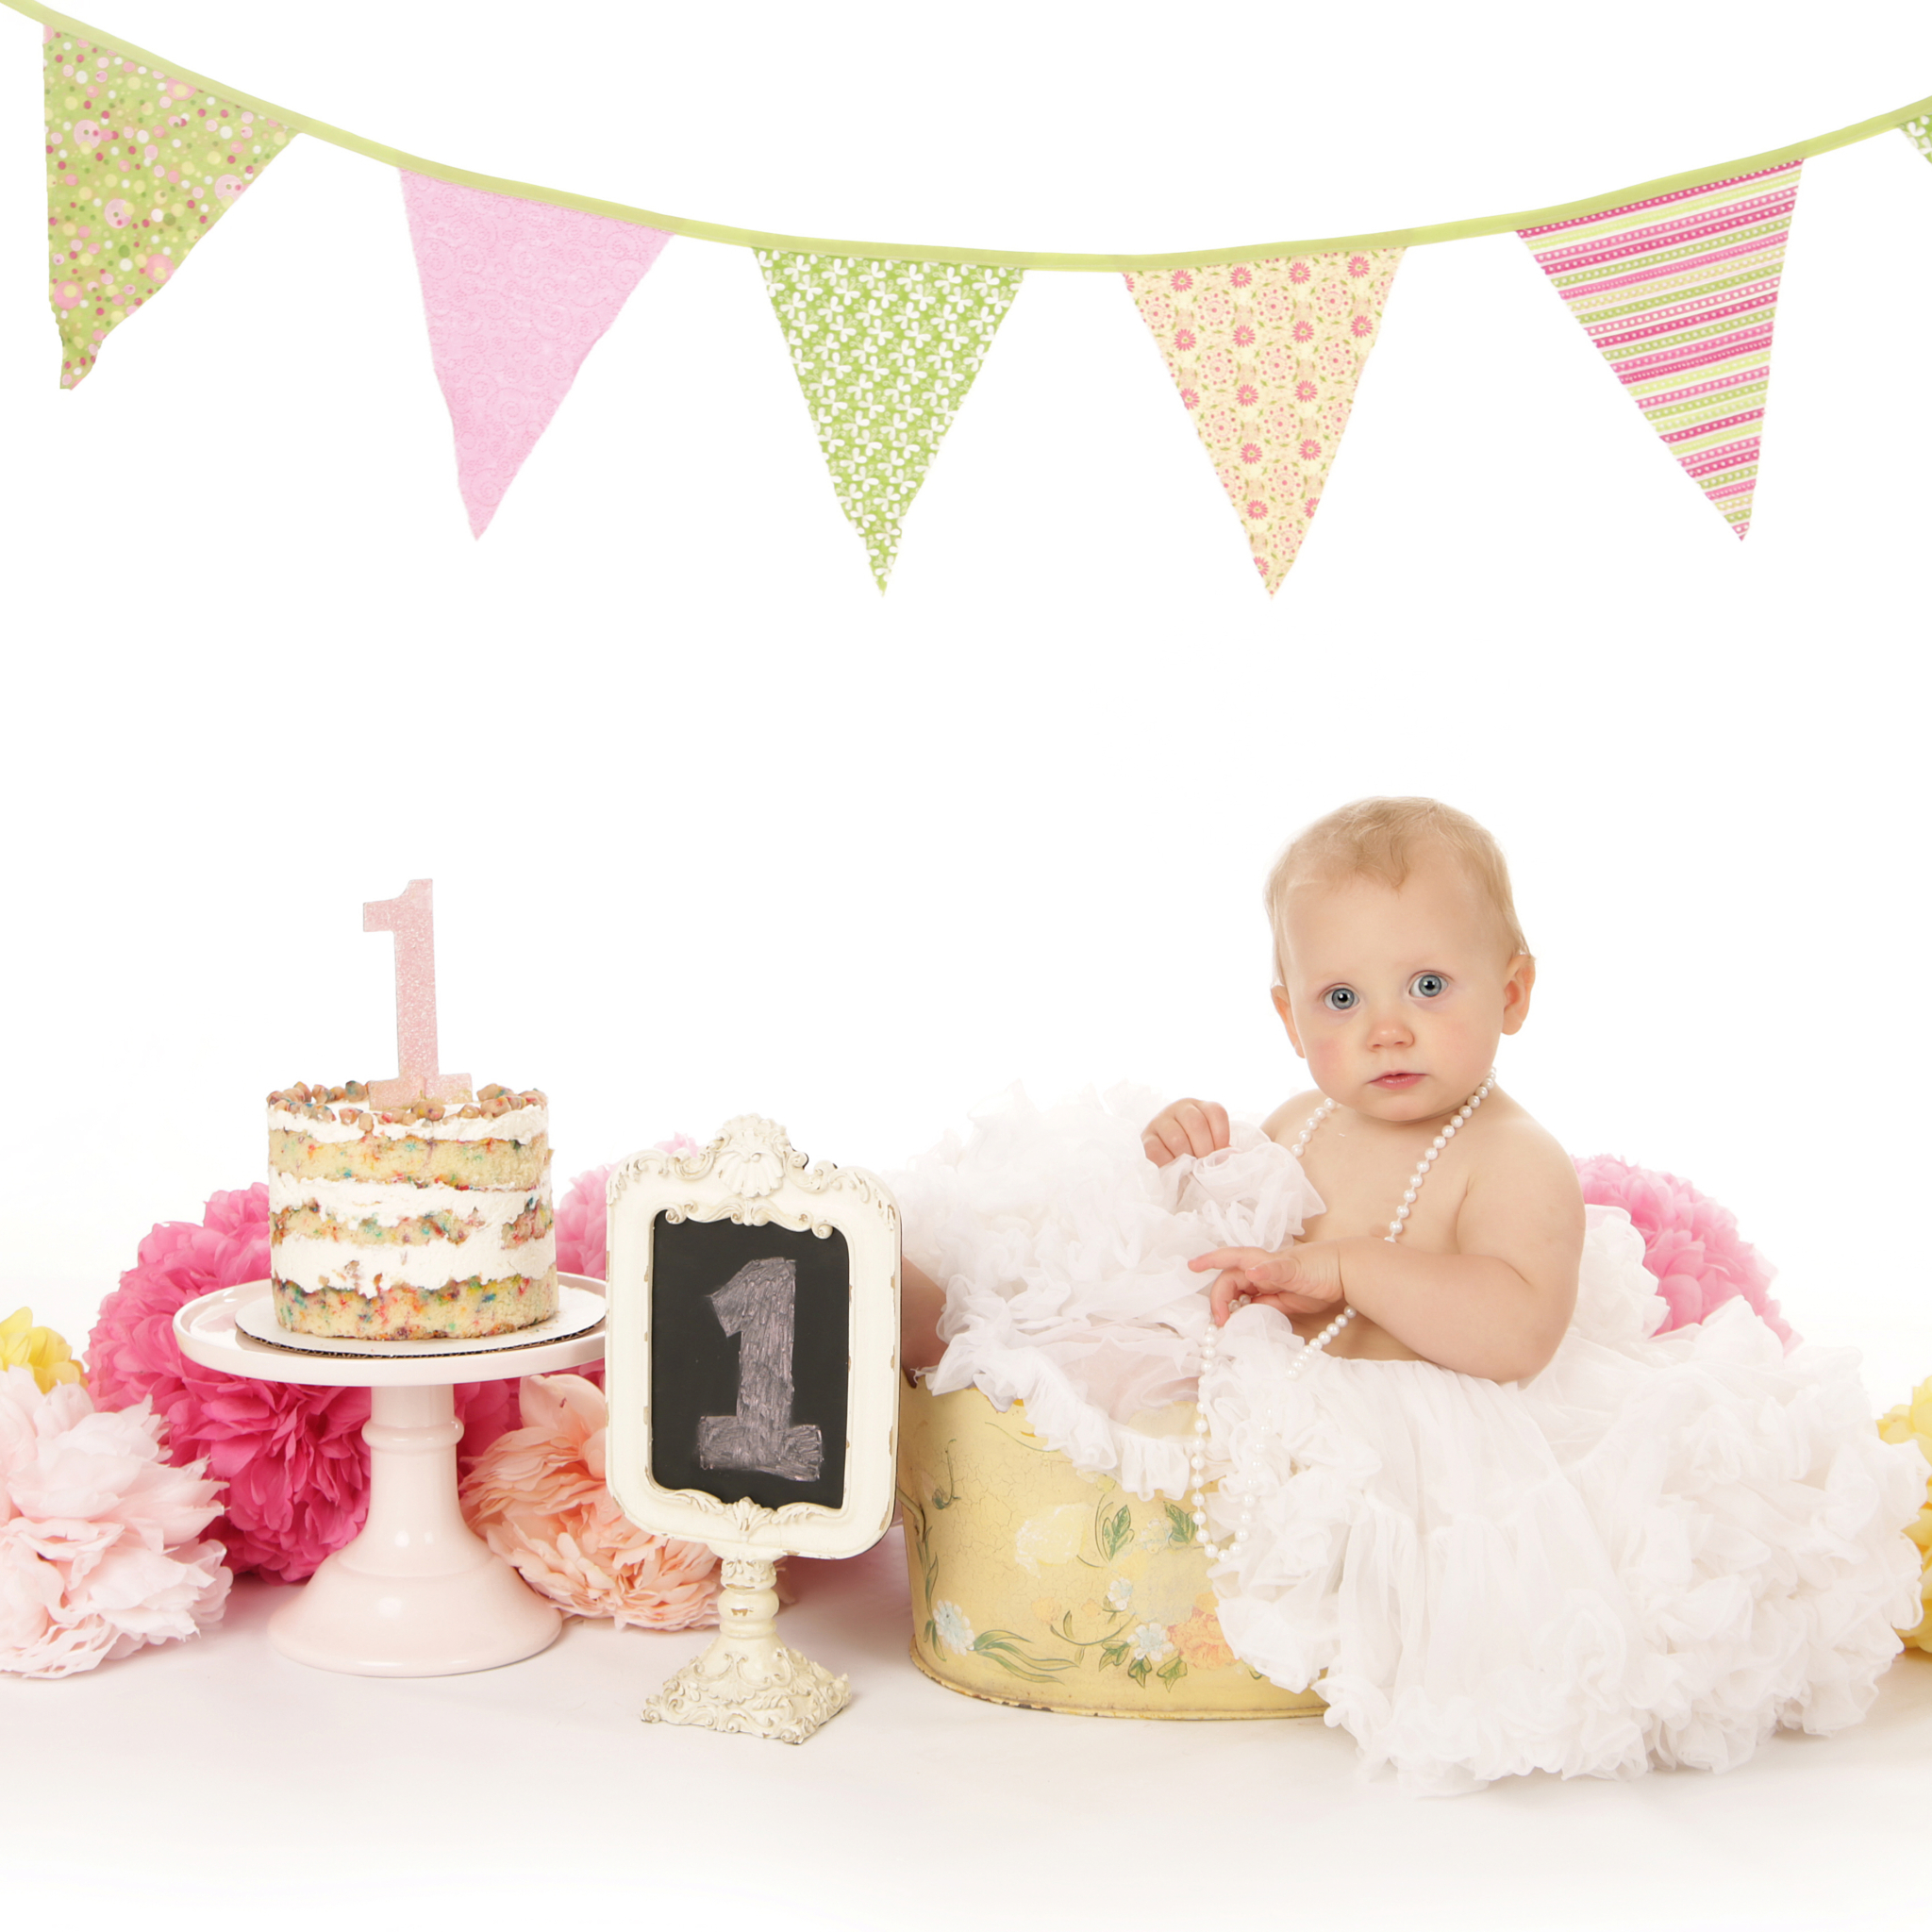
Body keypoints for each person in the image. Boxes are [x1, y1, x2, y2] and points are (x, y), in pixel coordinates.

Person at [895, 797, 1927, 1792]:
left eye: (1427, 985)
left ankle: (935, 1334)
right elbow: (1241, 1235)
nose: (1385, 1028)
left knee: (1126, 1389)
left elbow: (1517, 1331)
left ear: (1513, 991)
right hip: (1276, 1353)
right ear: (1290, 1018)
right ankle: (924, 1320)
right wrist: (1194, 1153)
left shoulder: (1508, 1157)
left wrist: (1347, 1268)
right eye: (1341, 999)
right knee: (1076, 1322)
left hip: (1415, 1411)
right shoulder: (1306, 1112)